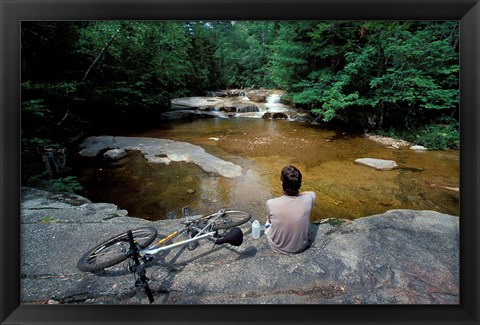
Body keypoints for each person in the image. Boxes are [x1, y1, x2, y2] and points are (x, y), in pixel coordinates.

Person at [265, 165, 316, 254]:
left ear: (282, 183)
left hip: (277, 247)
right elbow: (309, 193)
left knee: (268, 219)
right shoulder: (310, 198)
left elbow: (270, 221)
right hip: (301, 247)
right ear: (300, 183)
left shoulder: (271, 203)